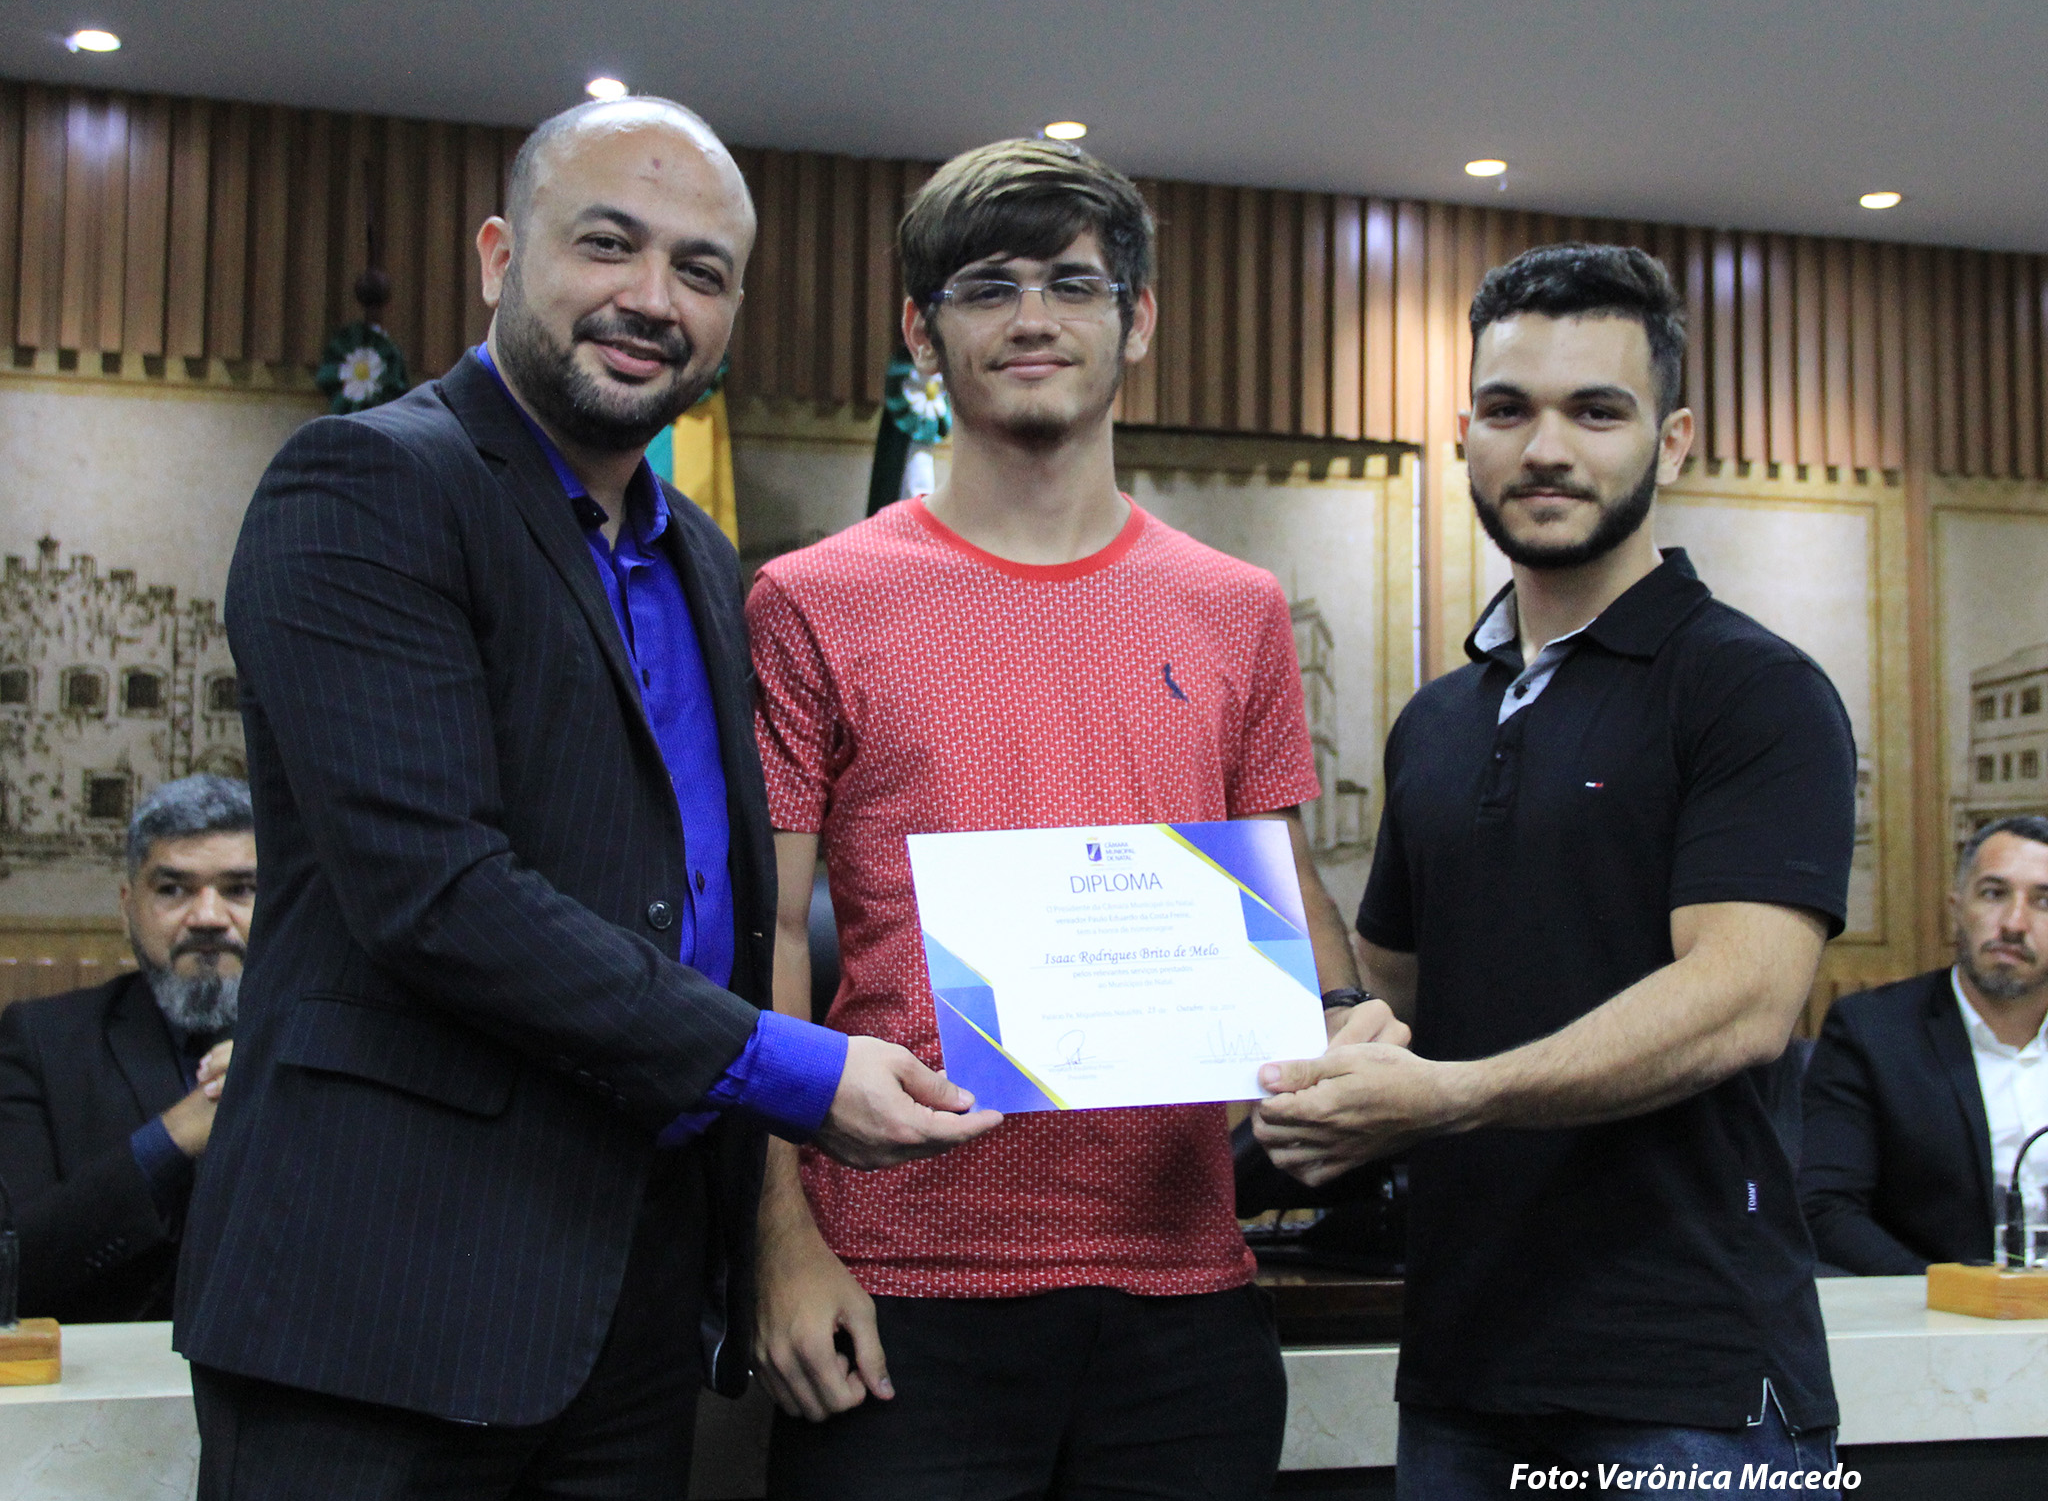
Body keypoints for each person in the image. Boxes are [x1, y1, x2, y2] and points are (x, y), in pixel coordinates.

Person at [173, 96, 996, 1501]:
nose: (652, 299)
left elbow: (710, 909)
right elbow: (437, 896)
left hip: (631, 1313)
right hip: (378, 1309)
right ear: (499, 255)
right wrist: (797, 1072)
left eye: (700, 269)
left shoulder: (707, 568)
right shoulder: (367, 484)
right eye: (607, 244)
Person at [746, 137, 1399, 1501]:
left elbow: (1283, 897)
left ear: (1136, 318)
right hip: (898, 1290)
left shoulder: (1236, 609)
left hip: (1185, 1293)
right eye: (987, 287)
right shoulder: (812, 601)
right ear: (921, 331)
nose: (1032, 317)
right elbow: (768, 943)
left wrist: (1345, 1026)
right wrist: (779, 1242)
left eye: (1072, 283)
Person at [1254, 243, 1858, 1497]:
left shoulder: (1751, 691)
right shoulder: (1436, 722)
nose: (1544, 449)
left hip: (1688, 1387)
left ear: (1671, 441)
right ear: (1462, 436)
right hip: (1460, 1373)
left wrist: (1452, 1096)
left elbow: (1742, 1001)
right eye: (1506, 409)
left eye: (1595, 411)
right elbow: (1393, 1005)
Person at [0, 774, 249, 1322]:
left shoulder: (338, 1045)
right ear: (127, 908)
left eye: (239, 890)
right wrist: (172, 1136)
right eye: (173, 890)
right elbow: (12, 1270)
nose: (208, 917)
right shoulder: (40, 1042)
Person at [1802, 816, 2048, 1273]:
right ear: (1957, 908)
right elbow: (1824, 1208)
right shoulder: (1873, 1033)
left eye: (2043, 901)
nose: (2014, 923)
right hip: (1936, 1303)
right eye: (1994, 894)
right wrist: (1945, 1292)